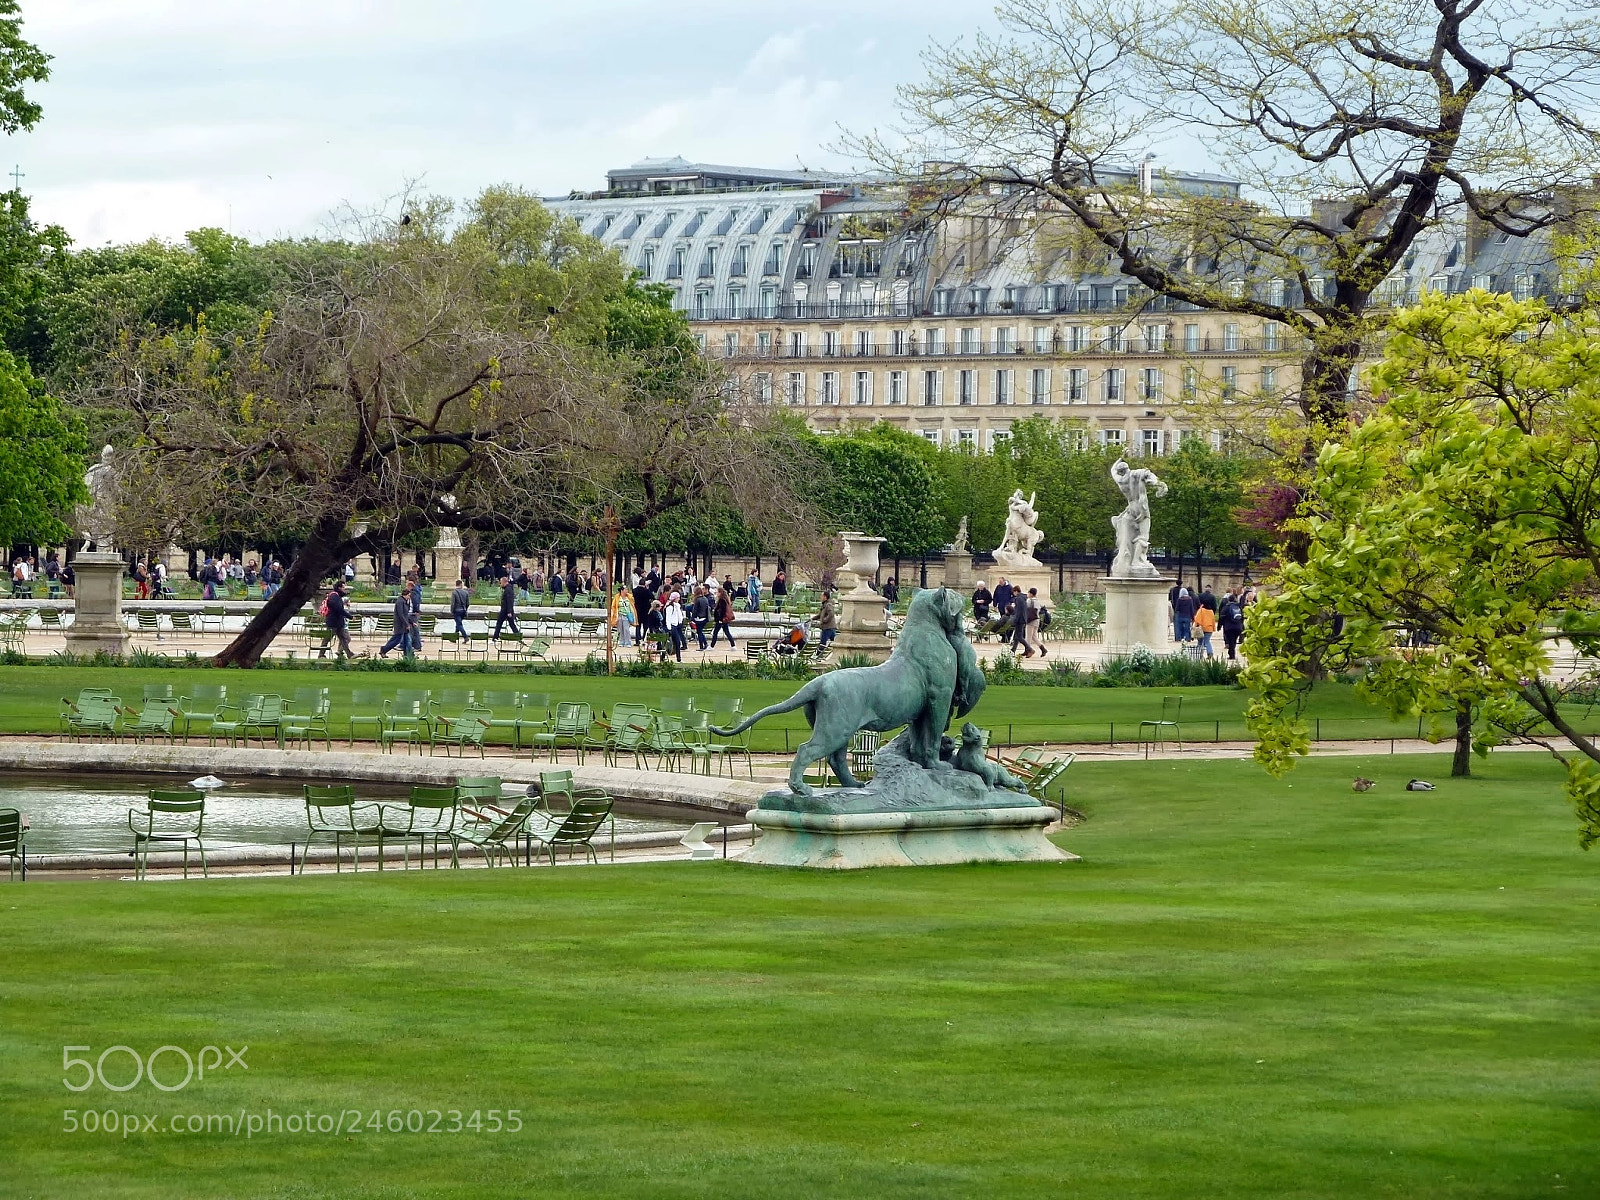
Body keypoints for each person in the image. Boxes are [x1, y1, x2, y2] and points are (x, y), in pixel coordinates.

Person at [379, 581, 417, 659]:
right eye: (409, 596)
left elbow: (405, 615)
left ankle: (409, 655)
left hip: (403, 625)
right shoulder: (400, 602)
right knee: (397, 640)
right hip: (400, 625)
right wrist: (407, 624)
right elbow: (401, 615)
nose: (409, 597)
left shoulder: (404, 602)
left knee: (407, 640)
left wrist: (411, 622)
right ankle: (384, 649)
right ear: (405, 595)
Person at [323, 581, 354, 661]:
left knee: (344, 638)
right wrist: (350, 616)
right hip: (334, 622)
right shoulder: (334, 597)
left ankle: (349, 654)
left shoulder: (336, 596)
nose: (344, 589)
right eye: (343, 587)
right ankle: (321, 654)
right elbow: (339, 609)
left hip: (337, 622)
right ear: (339, 588)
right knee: (328, 638)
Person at [1219, 590, 1246, 661]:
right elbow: (1242, 617)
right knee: (1233, 640)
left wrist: (1219, 625)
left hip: (1229, 627)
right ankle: (1231, 653)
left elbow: (1222, 616)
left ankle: (1232, 655)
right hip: (1238, 627)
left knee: (1230, 640)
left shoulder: (1226, 607)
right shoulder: (1239, 607)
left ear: (1228, 600)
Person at [492, 575, 520, 640]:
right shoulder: (508, 589)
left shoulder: (508, 590)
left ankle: (495, 637)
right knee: (511, 624)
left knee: (500, 623)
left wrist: (509, 611)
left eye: (501, 582)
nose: (500, 584)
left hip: (506, 610)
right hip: (507, 610)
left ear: (504, 582)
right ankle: (518, 636)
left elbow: (509, 601)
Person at [1022, 587, 1046, 658]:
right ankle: (1043, 648)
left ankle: (1028, 650)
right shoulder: (1037, 601)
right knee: (1034, 636)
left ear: (1031, 594)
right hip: (1036, 619)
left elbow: (1025, 609)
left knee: (1028, 637)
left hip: (1030, 620)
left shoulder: (1029, 601)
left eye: (1029, 593)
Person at [610, 583, 636, 647]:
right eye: (625, 589)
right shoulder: (617, 598)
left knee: (626, 629)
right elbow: (614, 606)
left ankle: (628, 642)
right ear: (622, 590)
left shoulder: (629, 597)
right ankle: (621, 641)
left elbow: (631, 605)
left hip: (626, 615)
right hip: (619, 615)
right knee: (620, 629)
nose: (626, 590)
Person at [663, 591, 687, 661]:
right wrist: (669, 628)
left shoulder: (677, 606)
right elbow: (668, 618)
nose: (679, 599)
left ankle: (678, 658)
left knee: (676, 642)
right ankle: (677, 658)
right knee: (675, 642)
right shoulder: (670, 607)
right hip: (672, 626)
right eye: (678, 598)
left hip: (676, 626)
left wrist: (680, 623)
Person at [690, 584, 711, 650]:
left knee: (699, 632)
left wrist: (692, 618)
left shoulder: (697, 600)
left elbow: (695, 610)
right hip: (705, 617)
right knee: (700, 632)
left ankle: (702, 646)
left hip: (699, 618)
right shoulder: (705, 598)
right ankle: (705, 643)